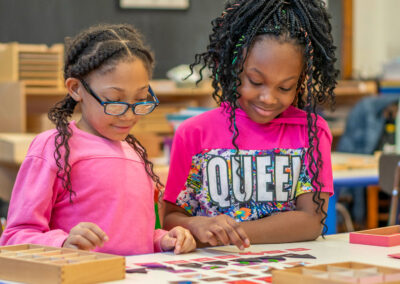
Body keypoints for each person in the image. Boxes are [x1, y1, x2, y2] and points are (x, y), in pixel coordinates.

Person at [0, 24, 196, 256]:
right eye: (115, 100)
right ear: (76, 89)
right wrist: (63, 243)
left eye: (141, 99)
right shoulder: (54, 148)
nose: (129, 114)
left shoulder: (135, 153)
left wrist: (163, 239)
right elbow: (15, 237)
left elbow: (136, 236)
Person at [163, 0, 338, 249]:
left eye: (285, 87)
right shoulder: (193, 133)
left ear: (300, 83)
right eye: (256, 81)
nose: (268, 98)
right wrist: (194, 225)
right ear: (234, 69)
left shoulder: (310, 132)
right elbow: (170, 217)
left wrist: (231, 232)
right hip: (212, 269)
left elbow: (311, 221)